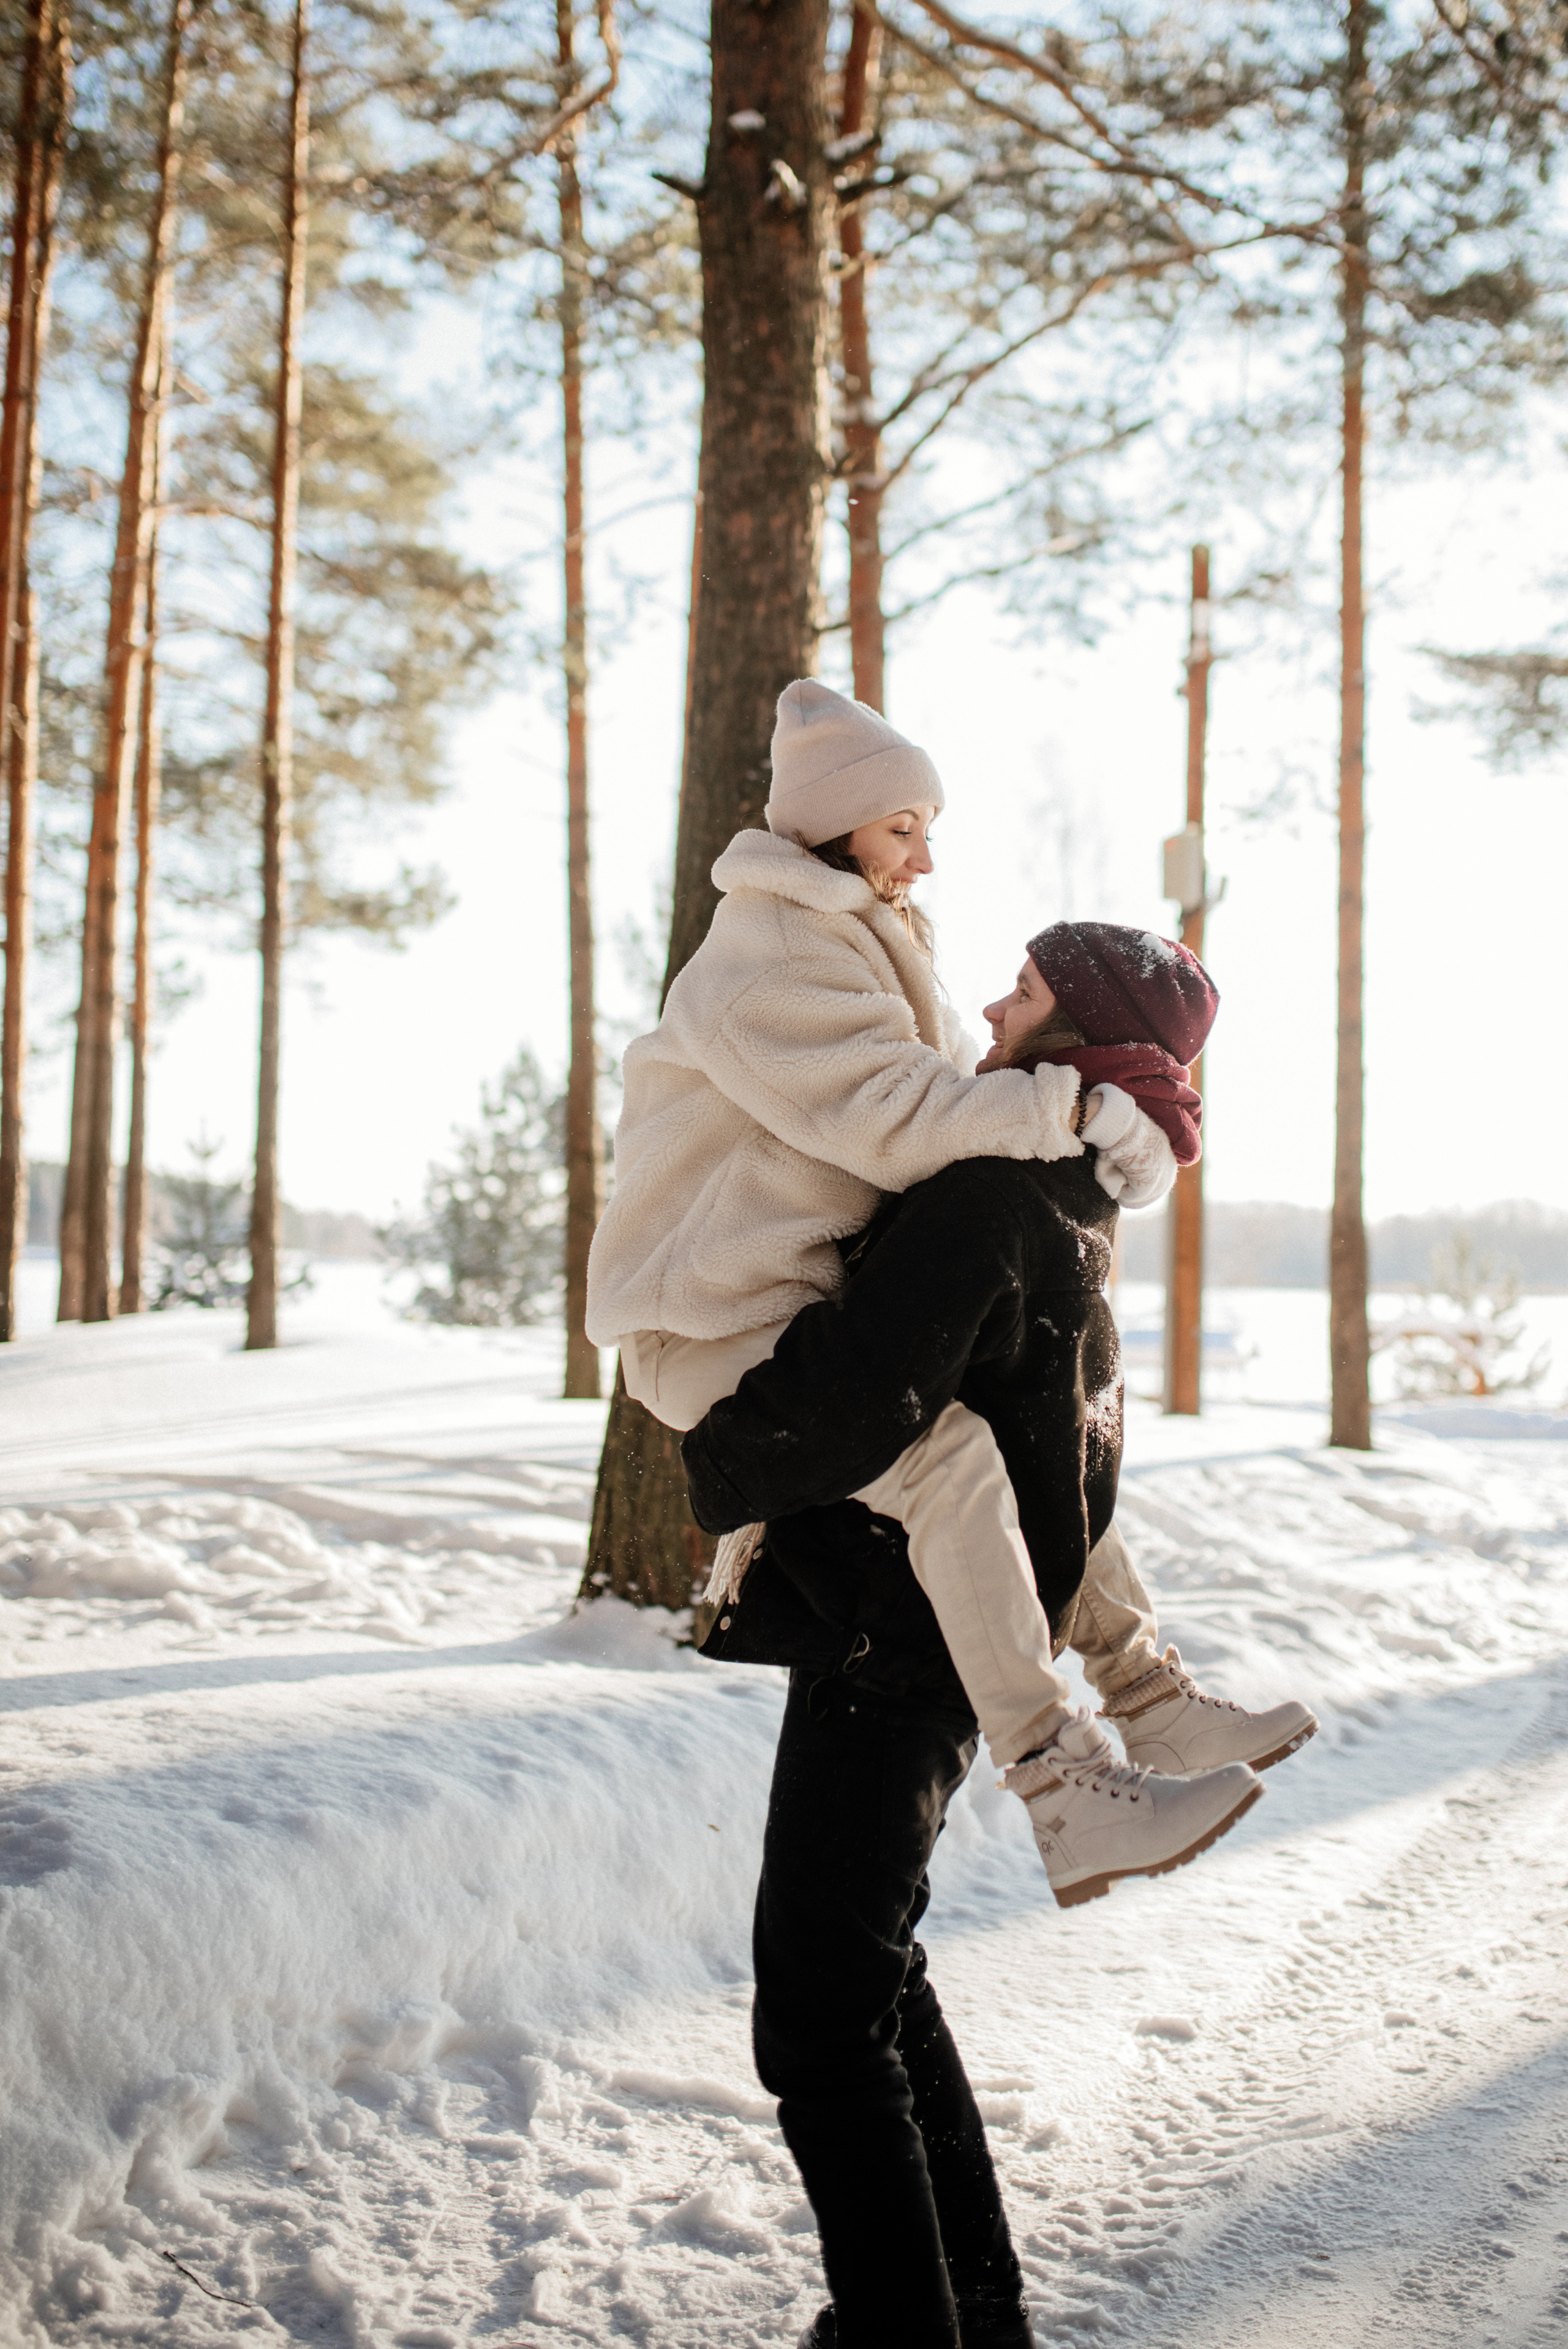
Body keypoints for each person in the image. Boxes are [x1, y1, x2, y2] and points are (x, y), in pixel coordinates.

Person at [587, 681, 1303, 1898]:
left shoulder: (861, 929)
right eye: (901, 826)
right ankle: (1057, 1780)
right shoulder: (765, 954)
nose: (925, 852)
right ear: (832, 827)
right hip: (704, 1314)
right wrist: (1073, 1104)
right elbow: (890, 1118)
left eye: (923, 824)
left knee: (1037, 1438)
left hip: (786, 1296)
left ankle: (1148, 1701)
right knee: (952, 1461)